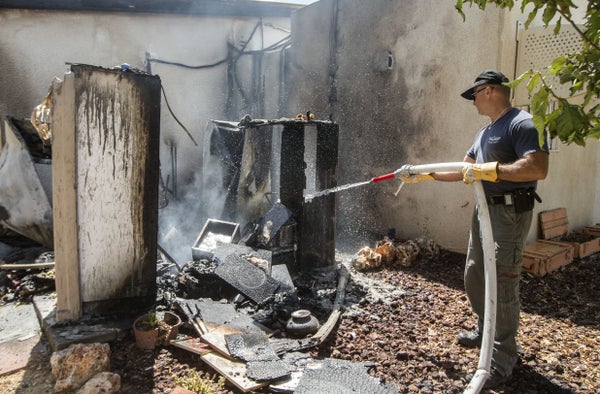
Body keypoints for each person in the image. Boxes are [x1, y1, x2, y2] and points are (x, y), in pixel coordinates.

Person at [398, 70, 549, 389]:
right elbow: (463, 168)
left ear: (490, 91)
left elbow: (537, 167)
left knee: (503, 283)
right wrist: (426, 176)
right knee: (474, 273)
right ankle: (486, 329)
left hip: (509, 212)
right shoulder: (484, 132)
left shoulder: (522, 123)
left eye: (475, 95)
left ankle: (502, 358)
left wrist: (491, 171)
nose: (473, 103)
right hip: (484, 211)